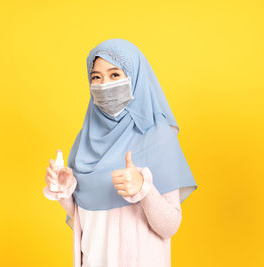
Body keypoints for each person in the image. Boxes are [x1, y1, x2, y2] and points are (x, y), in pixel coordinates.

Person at [43, 38, 198, 267]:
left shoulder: (158, 136)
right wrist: (66, 193)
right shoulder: (85, 139)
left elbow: (169, 226)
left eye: (115, 75)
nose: (104, 84)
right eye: (96, 77)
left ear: (134, 77)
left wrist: (143, 189)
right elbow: (89, 220)